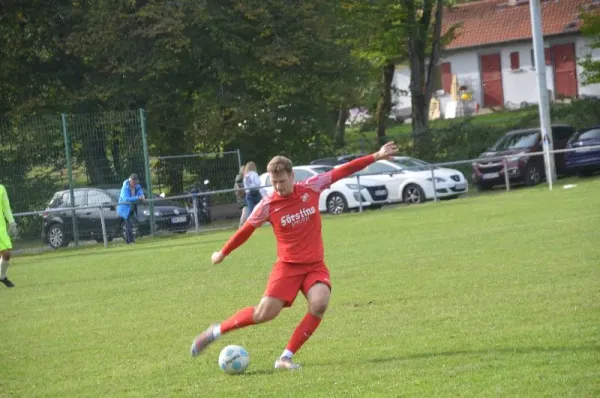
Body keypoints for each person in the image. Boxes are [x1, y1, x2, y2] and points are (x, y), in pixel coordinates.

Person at [190, 141, 399, 369]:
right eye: (273, 182)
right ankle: (216, 331)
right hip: (287, 267)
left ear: (292, 176)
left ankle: (285, 358)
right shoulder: (267, 205)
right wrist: (222, 252)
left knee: (319, 304)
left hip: (314, 266)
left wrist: (376, 156)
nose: (277, 187)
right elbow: (245, 231)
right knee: (264, 314)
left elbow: (343, 170)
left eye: (281, 181)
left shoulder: (312, 186)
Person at [117, 173, 145, 244]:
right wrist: (137, 197)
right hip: (124, 209)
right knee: (129, 224)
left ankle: (129, 241)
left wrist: (142, 195)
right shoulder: (125, 188)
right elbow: (126, 198)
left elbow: (140, 192)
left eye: (136, 182)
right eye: (133, 182)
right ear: (130, 181)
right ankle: (130, 241)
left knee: (129, 224)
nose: (135, 183)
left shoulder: (137, 186)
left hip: (132, 208)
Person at [0, 184, 18, 288]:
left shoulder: (1, 188)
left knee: (6, 254)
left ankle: (2, 277)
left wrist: (12, 222)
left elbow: (6, 207)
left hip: (1, 228)